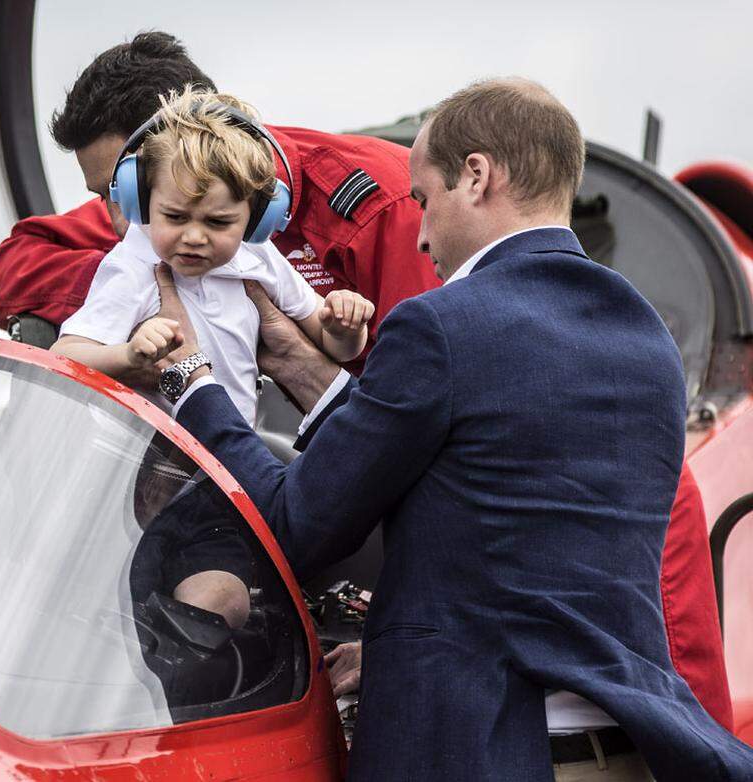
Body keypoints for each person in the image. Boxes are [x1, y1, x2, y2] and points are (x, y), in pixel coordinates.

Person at [154, 78, 753, 780]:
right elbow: (513, 528)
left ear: (476, 176)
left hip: (484, 756)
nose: (421, 231)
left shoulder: (440, 325)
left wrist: (191, 381)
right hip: (626, 754)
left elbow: (296, 519)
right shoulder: (644, 340)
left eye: (423, 199)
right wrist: (296, 358)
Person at [0, 31, 438, 372]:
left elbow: (421, 388)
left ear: (189, 139)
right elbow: (1, 276)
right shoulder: (151, 221)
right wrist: (142, 288)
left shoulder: (385, 203)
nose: (120, 222)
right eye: (112, 195)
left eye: (122, 188)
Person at [52, 88, 374, 425]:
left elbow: (336, 347)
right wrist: (128, 356)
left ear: (259, 220)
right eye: (175, 217)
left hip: (231, 454)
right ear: (142, 201)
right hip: (156, 459)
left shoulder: (258, 256)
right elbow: (65, 357)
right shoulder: (134, 267)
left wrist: (345, 328)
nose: (193, 237)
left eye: (218, 222)